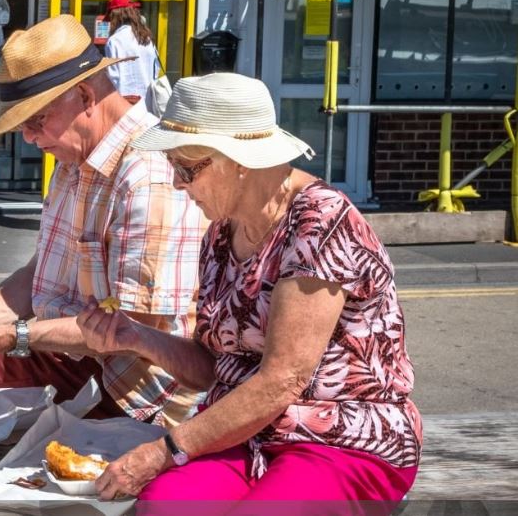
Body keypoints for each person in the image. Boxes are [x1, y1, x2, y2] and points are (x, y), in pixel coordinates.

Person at [79, 72, 421, 506]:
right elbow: (215, 368)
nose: (178, 183)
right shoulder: (221, 235)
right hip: (247, 434)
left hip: (338, 436)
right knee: (164, 506)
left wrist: (164, 450)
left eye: (186, 167)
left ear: (237, 161)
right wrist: (138, 338)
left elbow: (283, 380)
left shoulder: (320, 223)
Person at [0, 16, 206, 428]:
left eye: (35, 119)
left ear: (84, 96)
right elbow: (41, 276)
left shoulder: (148, 174)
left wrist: (15, 336)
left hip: (133, 392)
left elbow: (136, 329)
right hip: (82, 362)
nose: (28, 137)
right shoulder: (73, 158)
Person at [102, 0, 162, 103]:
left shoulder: (114, 41)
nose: (110, 23)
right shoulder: (147, 39)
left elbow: (113, 76)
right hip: (148, 101)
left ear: (115, 16)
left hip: (124, 102)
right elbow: (155, 71)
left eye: (110, 18)